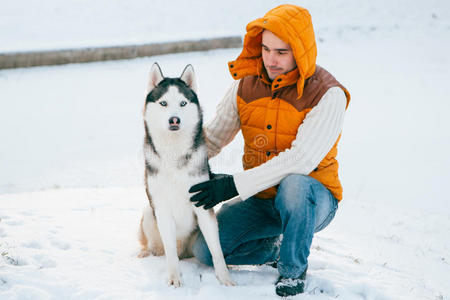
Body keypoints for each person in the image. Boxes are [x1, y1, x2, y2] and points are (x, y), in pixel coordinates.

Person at [189, 4, 350, 297]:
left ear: (300, 50)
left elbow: (300, 161)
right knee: (205, 251)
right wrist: (174, 159)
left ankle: (292, 269)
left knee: (295, 185)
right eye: (265, 49)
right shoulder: (245, 86)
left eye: (281, 52)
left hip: (313, 200)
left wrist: (232, 185)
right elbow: (212, 137)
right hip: (262, 196)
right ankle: (275, 248)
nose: (271, 60)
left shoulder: (328, 94)